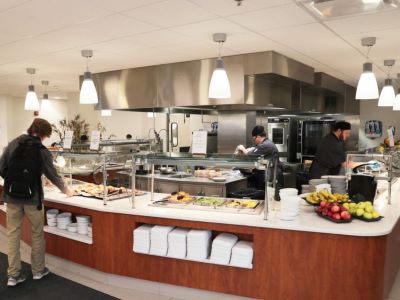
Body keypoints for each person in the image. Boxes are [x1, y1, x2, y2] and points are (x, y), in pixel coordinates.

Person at [0, 118, 74, 287]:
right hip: (33, 199)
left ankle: (13, 275)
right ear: (44, 135)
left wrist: (15, 184)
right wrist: (67, 190)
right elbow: (52, 175)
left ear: (31, 129)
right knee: (37, 234)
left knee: (13, 235)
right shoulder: (42, 150)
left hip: (11, 197)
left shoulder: (14, 143)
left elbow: (1, 166)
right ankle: (38, 271)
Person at [235, 125, 280, 191]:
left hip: (268, 176)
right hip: (269, 174)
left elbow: (250, 156)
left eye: (254, 138)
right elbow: (256, 152)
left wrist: (242, 148)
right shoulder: (267, 143)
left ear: (258, 136)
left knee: (264, 194)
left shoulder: (265, 145)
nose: (254, 140)